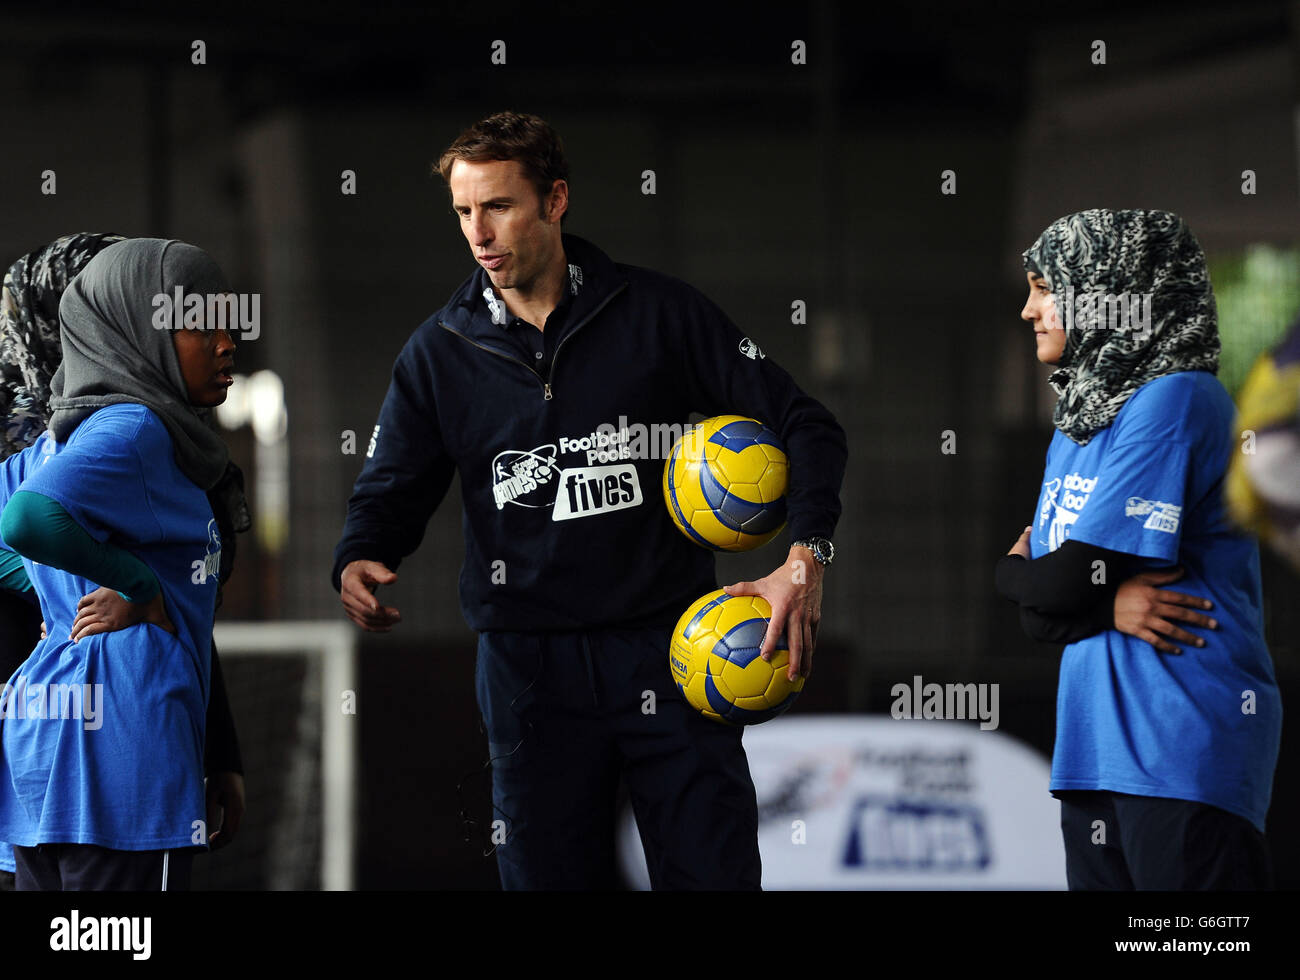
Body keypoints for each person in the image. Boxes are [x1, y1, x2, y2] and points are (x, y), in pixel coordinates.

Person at [333, 111, 847, 890]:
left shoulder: (660, 316)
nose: (479, 232)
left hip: (673, 650)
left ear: (556, 199)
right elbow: (390, 487)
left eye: (499, 206)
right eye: (464, 212)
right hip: (528, 666)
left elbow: (808, 423)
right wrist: (362, 553)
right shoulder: (439, 351)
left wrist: (805, 556)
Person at [995, 208, 1282, 890]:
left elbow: (1056, 588)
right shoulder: (1077, 424)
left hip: (1183, 749)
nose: (1030, 309)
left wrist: (1013, 572)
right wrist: (1092, 600)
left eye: (1045, 287)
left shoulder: (1178, 397)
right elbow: (1042, 615)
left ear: (1108, 292)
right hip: (1092, 757)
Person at [0, 238, 238, 890]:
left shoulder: (56, 444)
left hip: (41, 755)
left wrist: (61, 585)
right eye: (198, 323)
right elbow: (20, 523)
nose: (227, 342)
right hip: (124, 762)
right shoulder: (137, 429)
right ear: (134, 334)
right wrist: (136, 584)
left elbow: (12, 528)